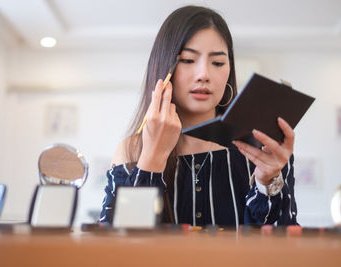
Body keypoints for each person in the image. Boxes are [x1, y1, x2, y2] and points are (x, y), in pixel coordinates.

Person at [99, 5, 298, 227]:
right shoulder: (131, 150)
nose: (204, 74)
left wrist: (266, 183)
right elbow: (119, 247)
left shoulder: (262, 150)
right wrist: (152, 159)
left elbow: (281, 245)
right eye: (187, 60)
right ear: (164, 69)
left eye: (218, 63)